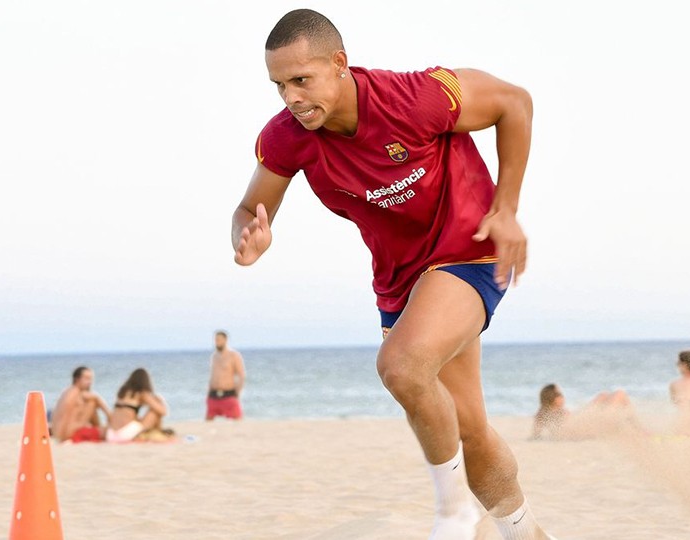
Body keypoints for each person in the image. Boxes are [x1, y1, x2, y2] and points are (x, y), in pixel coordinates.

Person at [232, 9, 551, 539]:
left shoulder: (417, 98)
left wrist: (508, 206)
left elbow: (515, 103)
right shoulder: (288, 137)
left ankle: (454, 517)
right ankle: (527, 532)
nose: (290, 97)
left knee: (402, 367)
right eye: (279, 85)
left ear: (339, 64)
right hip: (403, 280)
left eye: (301, 79)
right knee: (467, 428)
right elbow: (249, 208)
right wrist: (248, 241)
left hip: (468, 249)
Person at [531, 383, 631, 441]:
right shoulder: (557, 412)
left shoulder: (542, 413)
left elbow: (536, 435)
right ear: (552, 398)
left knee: (603, 395)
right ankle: (635, 425)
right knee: (619, 394)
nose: (562, 397)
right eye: (559, 394)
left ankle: (630, 423)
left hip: (580, 425)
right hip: (582, 429)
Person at [106, 368, 173, 443]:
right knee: (154, 411)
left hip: (111, 435)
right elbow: (163, 412)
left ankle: (156, 431)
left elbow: (127, 416)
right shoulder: (142, 393)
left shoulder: (122, 393)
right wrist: (161, 400)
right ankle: (158, 432)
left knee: (139, 419)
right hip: (124, 436)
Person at [51, 366, 111, 443]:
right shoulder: (78, 393)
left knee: (91, 403)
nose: (90, 382)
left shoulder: (68, 392)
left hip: (59, 435)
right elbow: (96, 398)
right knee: (92, 402)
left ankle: (98, 427)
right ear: (77, 379)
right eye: (86, 378)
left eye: (91, 379)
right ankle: (107, 425)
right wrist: (110, 416)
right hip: (68, 435)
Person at [206, 330, 246, 421]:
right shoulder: (214, 356)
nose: (217, 342)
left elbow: (241, 376)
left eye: (219, 340)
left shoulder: (234, 355)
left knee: (238, 420)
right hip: (213, 395)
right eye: (215, 340)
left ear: (225, 340)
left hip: (229, 394)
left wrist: (238, 392)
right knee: (208, 421)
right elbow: (213, 375)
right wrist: (208, 392)